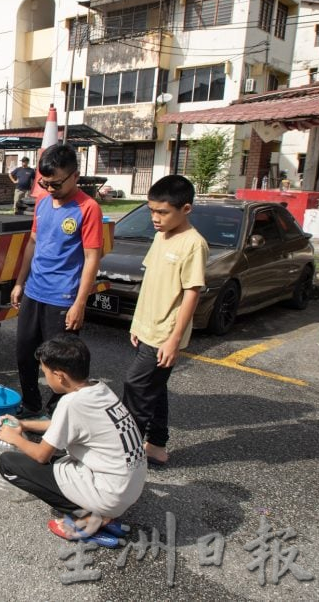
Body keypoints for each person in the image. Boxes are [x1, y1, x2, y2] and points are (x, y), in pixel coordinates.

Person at [0, 336, 146, 545]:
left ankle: (89, 517)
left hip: (110, 494)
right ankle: (100, 512)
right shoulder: (98, 390)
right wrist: (24, 425)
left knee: (8, 463)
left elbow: (40, 455)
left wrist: (15, 438)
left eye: (45, 373)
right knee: (56, 458)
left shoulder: (70, 403)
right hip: (128, 487)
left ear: (60, 376)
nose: (45, 378)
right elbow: (61, 425)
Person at [11, 144, 103, 417]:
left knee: (60, 363)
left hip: (63, 298)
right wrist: (19, 282)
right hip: (34, 292)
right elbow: (33, 243)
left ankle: (59, 414)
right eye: (44, 183)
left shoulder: (88, 208)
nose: (50, 189)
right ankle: (30, 403)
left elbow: (91, 259)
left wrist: (79, 304)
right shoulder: (42, 203)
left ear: (75, 176)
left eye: (56, 183)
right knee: (24, 354)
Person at [123, 175, 207, 467]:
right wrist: (136, 321)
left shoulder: (193, 244)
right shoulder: (161, 236)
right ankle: (156, 445)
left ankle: (126, 454)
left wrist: (174, 339)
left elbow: (191, 293)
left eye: (163, 212)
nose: (155, 218)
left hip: (164, 334)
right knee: (154, 389)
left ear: (186, 209)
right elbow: (151, 282)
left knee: (135, 388)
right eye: (151, 211)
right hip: (146, 327)